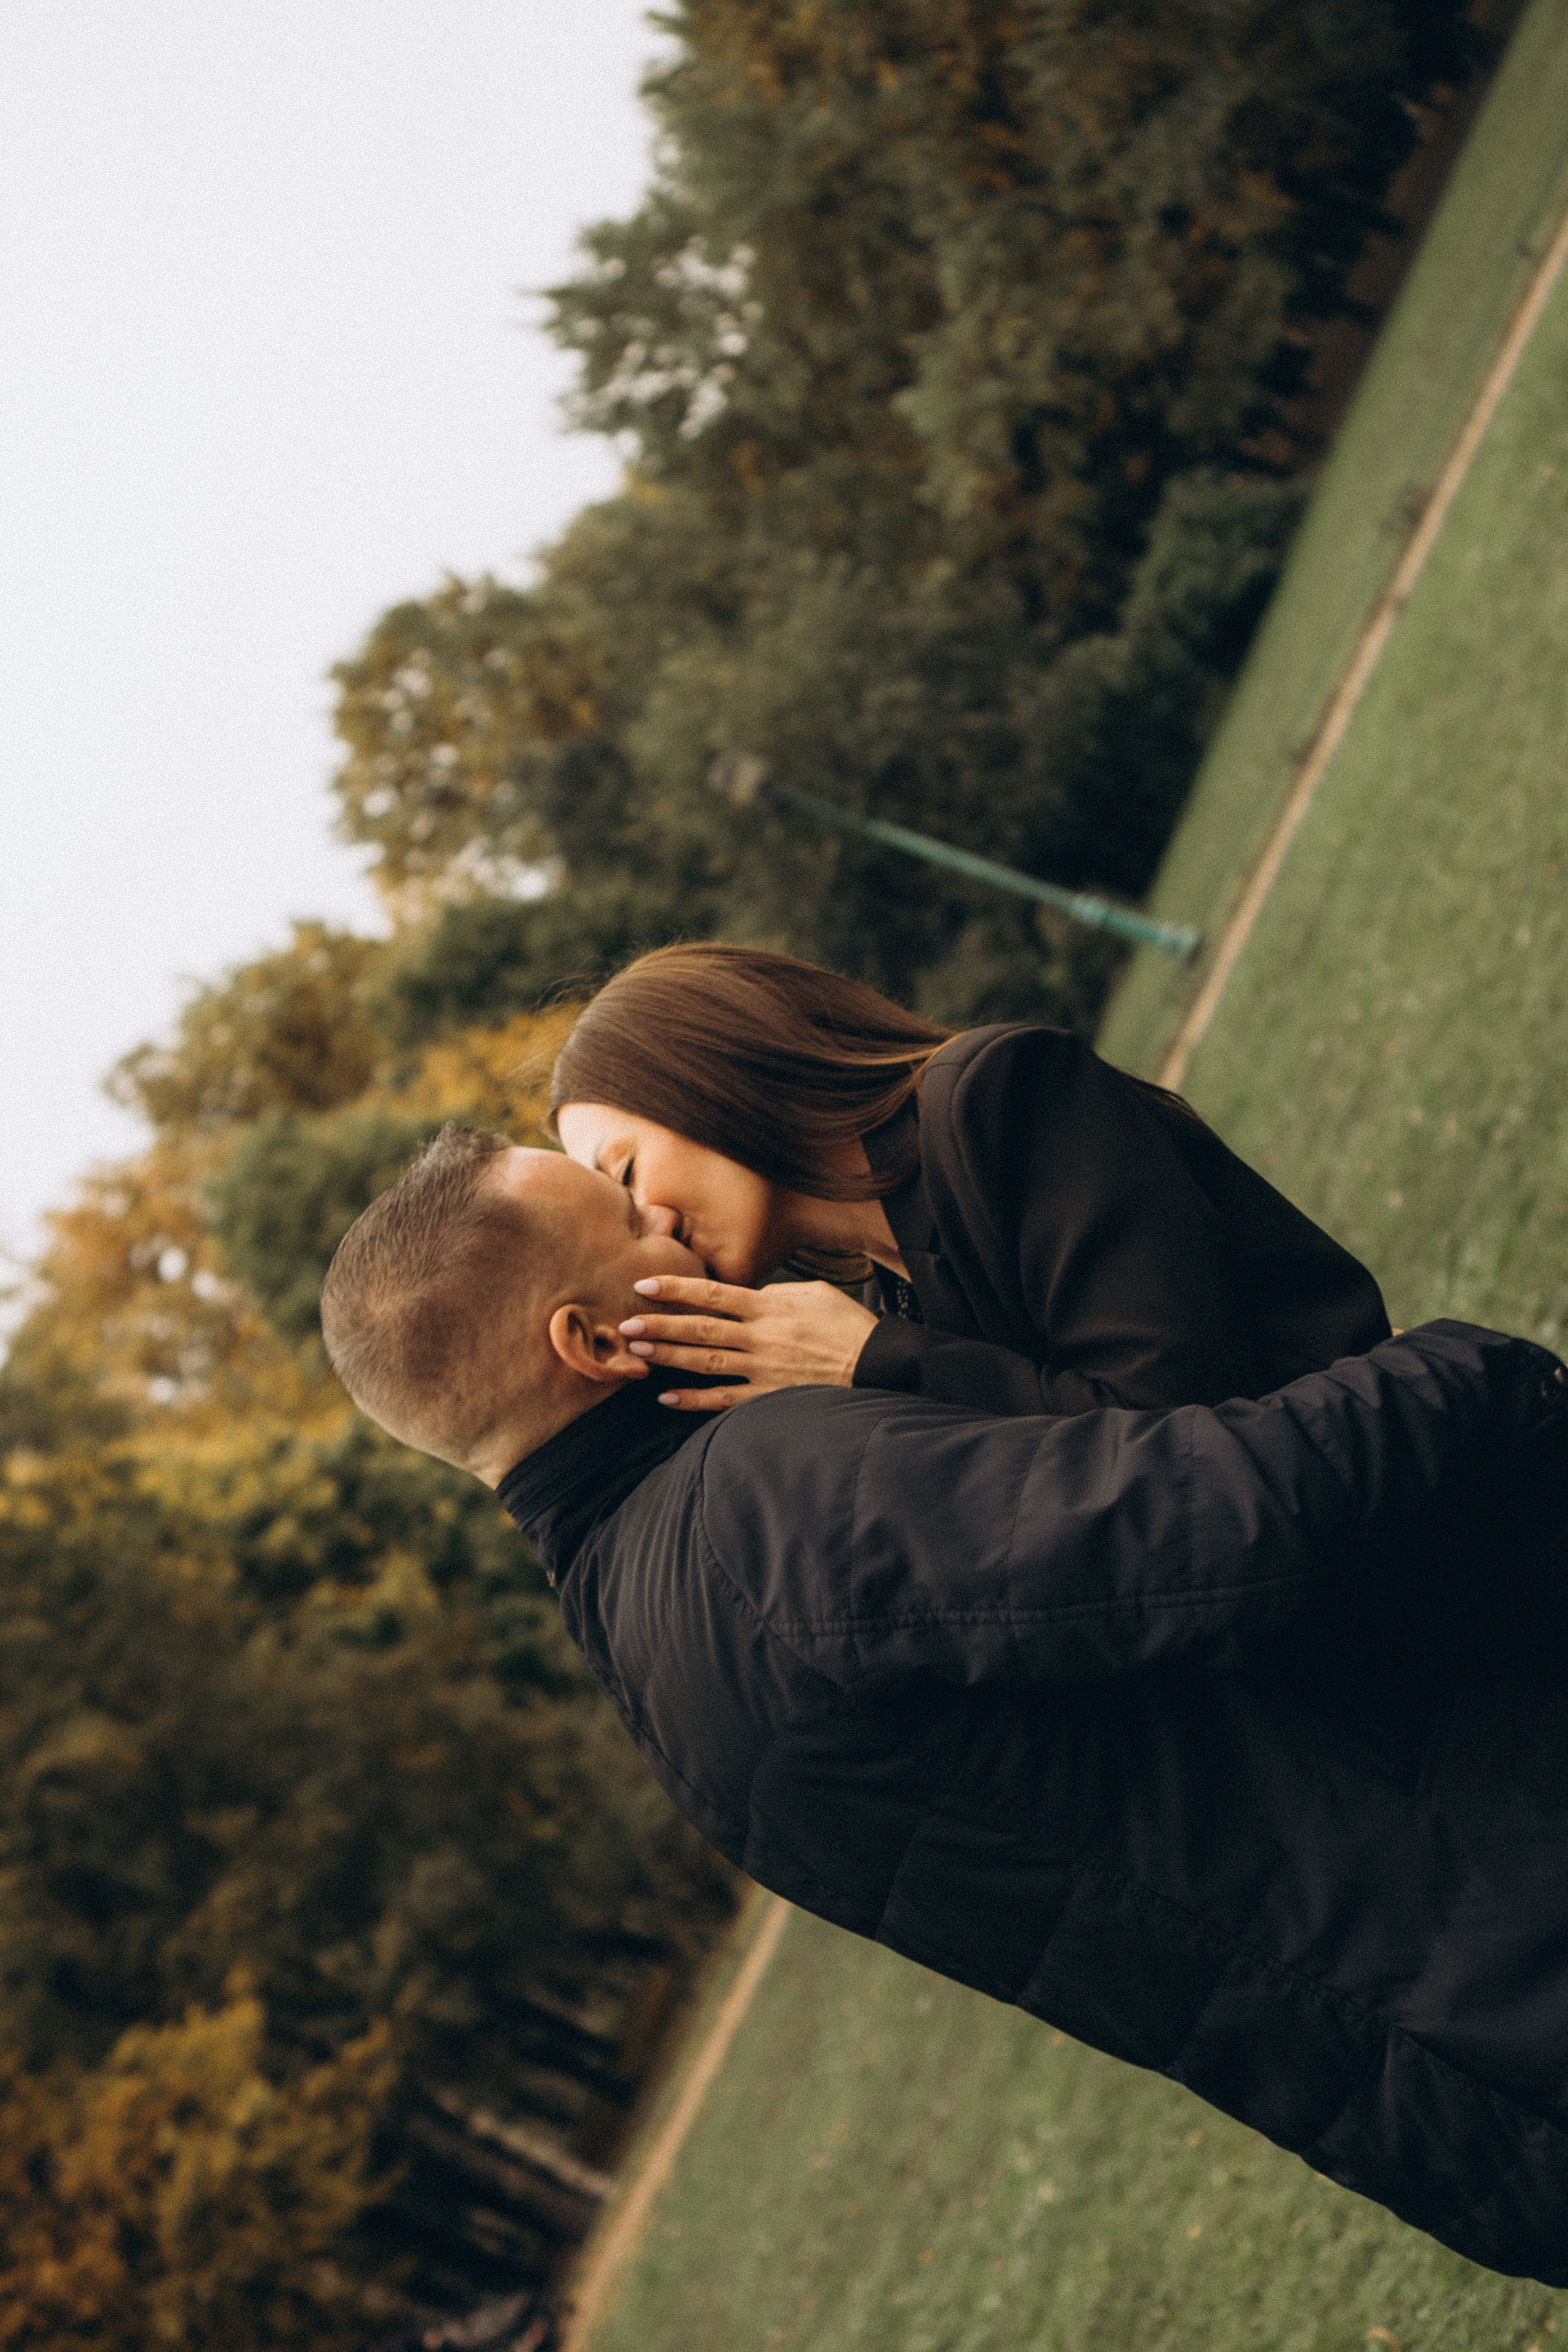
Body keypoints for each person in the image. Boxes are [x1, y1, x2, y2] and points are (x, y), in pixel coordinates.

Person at [322, 1124, 1568, 2285]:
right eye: (632, 1226)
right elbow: (1217, 1524)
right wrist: (1462, 1371)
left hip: (1445, 2106)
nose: (673, 1226)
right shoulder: (760, 1499)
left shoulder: (641, 1647)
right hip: (1506, 1952)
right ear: (592, 1342)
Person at [548, 945, 1390, 1419]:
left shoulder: (1002, 1098)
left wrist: (876, 1362)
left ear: (708, 1073)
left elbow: (1187, 1425)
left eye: (627, 1178)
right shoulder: (890, 1299)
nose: (652, 1229)